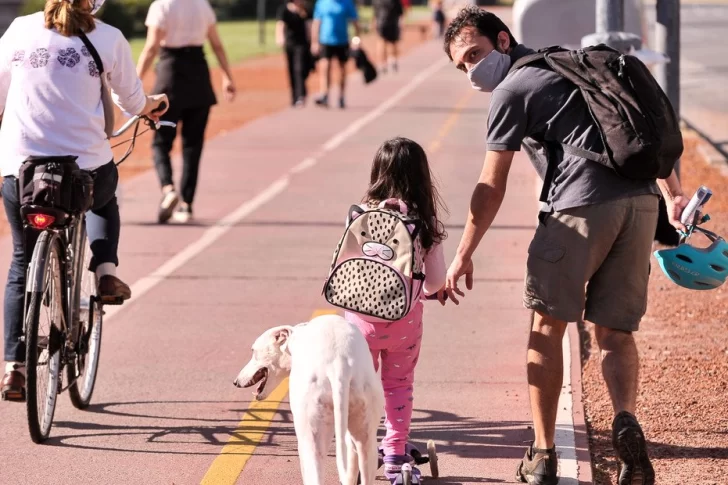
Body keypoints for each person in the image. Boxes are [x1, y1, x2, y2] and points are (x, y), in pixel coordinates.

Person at [441, 6, 690, 485]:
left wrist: (463, 252)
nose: (472, 71)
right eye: (462, 66)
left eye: (475, 54)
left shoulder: (512, 89)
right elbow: (638, 132)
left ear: (504, 41)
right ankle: (626, 422)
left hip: (579, 209)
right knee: (615, 333)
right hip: (639, 206)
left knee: (546, 327)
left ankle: (542, 454)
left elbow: (490, 186)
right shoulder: (576, 64)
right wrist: (674, 196)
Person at [0, 0, 168, 401]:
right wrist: (153, 106)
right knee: (105, 199)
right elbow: (131, 100)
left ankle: (13, 367)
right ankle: (106, 269)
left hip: (19, 170)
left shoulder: (19, 30)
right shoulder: (108, 37)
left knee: (22, 259)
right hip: (83, 170)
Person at [343, 138, 447, 484]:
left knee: (361, 387)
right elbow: (434, 282)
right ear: (421, 177)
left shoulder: (360, 213)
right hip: (403, 321)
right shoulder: (422, 220)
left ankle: (360, 453)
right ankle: (394, 454)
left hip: (358, 321)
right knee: (397, 385)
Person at [137, 0, 237, 224]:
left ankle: (168, 188)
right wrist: (227, 77)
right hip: (198, 77)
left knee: (161, 142)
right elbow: (217, 45)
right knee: (193, 145)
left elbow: (152, 46)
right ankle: (187, 204)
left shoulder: (162, 6)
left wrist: (134, 82)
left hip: (170, 76)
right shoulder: (202, 5)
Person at [311, 0, 361, 109]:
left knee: (342, 69)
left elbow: (355, 22)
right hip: (325, 40)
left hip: (342, 41)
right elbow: (316, 22)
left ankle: (341, 96)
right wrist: (314, 42)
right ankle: (324, 94)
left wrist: (356, 40)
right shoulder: (322, 3)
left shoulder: (347, 3)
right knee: (325, 67)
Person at [276, 0, 313, 107]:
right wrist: (280, 38)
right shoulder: (284, 9)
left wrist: (312, 42)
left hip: (302, 44)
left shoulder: (306, 9)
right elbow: (280, 25)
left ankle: (301, 95)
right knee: (292, 69)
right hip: (290, 44)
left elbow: (309, 26)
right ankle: (294, 96)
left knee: (300, 68)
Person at [372, 0, 403, 73]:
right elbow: (400, 13)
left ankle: (384, 63)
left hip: (383, 24)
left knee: (382, 43)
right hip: (391, 24)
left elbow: (375, 13)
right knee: (391, 43)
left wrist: (374, 22)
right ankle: (391, 61)